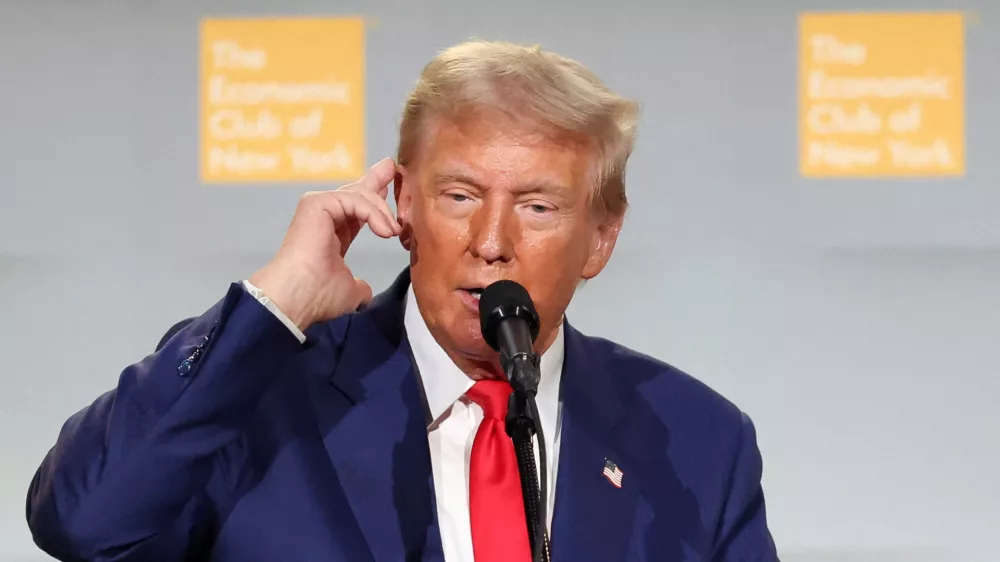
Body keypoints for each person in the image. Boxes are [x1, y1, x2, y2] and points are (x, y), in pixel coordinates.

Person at [25, 40, 778, 561]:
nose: (491, 240)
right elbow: (85, 522)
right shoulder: (258, 392)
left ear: (601, 240)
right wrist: (276, 301)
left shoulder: (696, 441)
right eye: (459, 195)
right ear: (403, 206)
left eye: (539, 207)